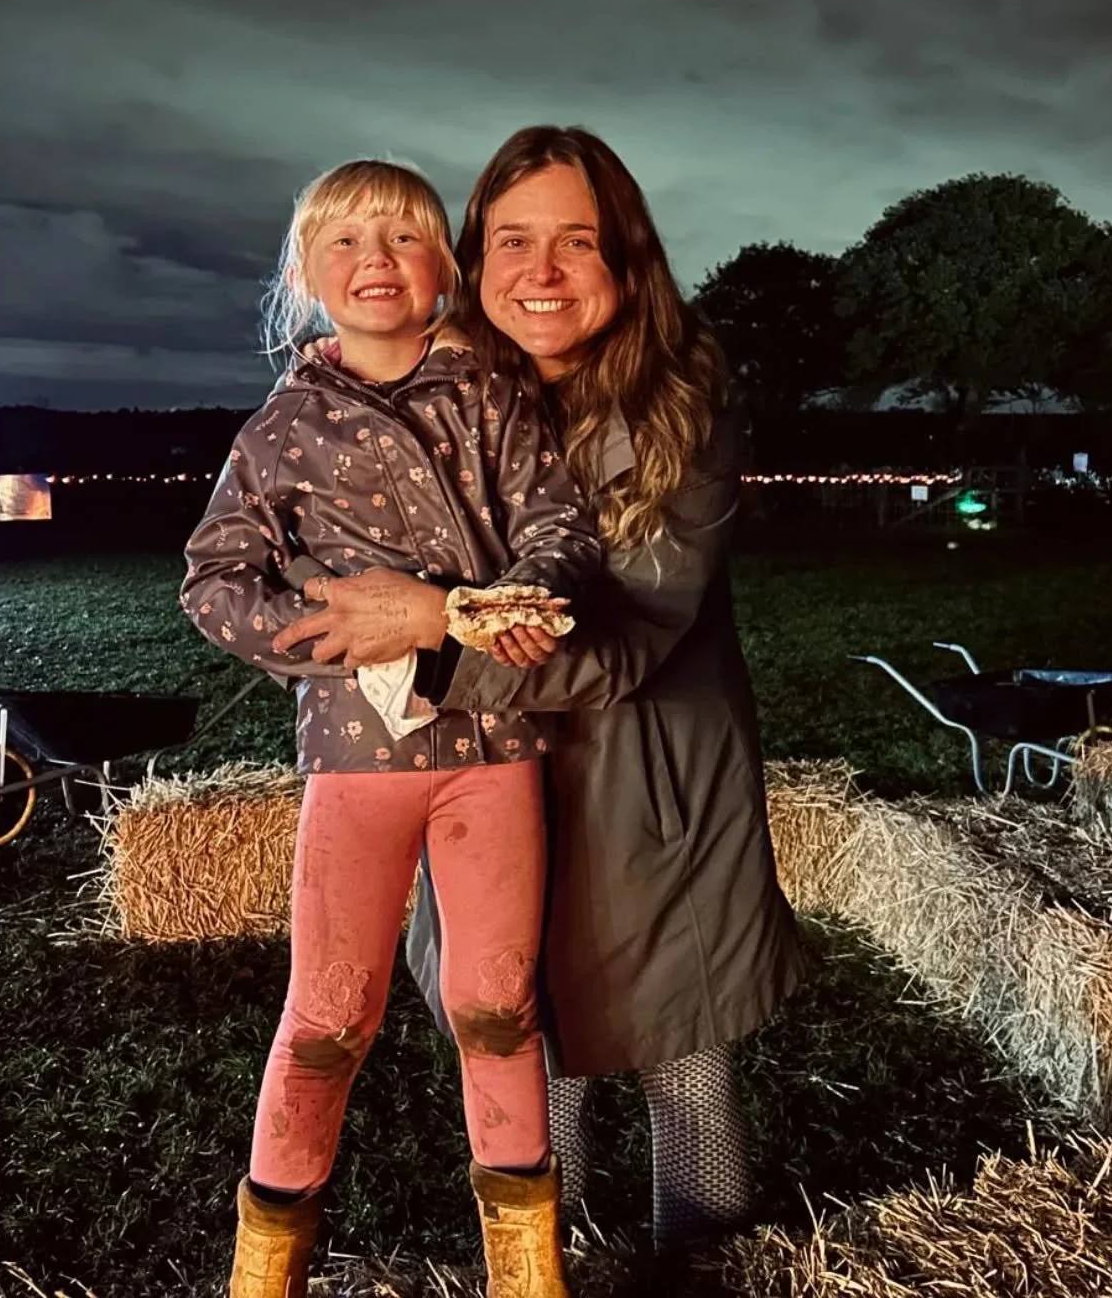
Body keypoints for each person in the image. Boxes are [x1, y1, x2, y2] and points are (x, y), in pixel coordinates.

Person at [272, 127, 806, 1252]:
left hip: (650, 790)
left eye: (577, 241)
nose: (541, 272)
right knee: (523, 1050)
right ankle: (541, 1272)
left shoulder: (681, 407)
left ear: (627, 259)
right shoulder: (432, 393)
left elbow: (626, 640)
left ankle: (688, 1271)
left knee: (683, 1071)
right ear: (474, 255)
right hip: (478, 775)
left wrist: (427, 626)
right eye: (513, 239)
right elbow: (314, 548)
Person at [181, 159, 599, 1298]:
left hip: (489, 751)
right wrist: (320, 636)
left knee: (495, 1005)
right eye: (348, 244)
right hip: (357, 760)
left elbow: (557, 529)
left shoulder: (494, 399)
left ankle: (528, 1274)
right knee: (324, 1017)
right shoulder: (279, 430)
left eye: (405, 241)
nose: (379, 263)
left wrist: (511, 606)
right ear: (306, 277)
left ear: (443, 270)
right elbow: (214, 581)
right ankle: (261, 1274)